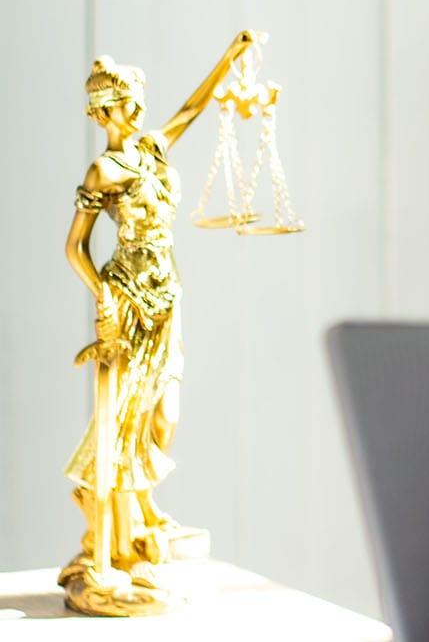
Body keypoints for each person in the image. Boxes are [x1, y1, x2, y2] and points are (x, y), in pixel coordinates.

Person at [58, 32, 261, 615]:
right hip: (129, 301)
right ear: (105, 109)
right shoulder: (103, 171)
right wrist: (103, 297)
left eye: (136, 99)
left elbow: (194, 110)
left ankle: (141, 519)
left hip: (169, 296)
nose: (135, 109)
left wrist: (229, 57)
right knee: (124, 420)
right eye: (125, 101)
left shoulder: (151, 149)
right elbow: (75, 247)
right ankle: (119, 540)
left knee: (164, 418)